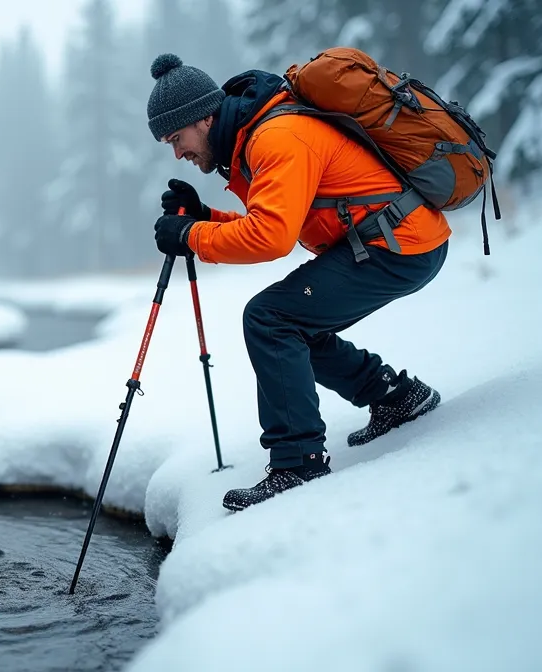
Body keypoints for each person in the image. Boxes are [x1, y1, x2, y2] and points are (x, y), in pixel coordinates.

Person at [143, 53, 450, 511]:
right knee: (292, 322)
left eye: (177, 138)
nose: (177, 152)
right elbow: (271, 218)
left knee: (271, 319)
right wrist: (206, 218)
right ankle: (395, 396)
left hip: (398, 244)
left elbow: (270, 237)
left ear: (203, 118)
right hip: (388, 240)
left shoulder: (276, 137)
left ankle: (298, 463)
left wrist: (190, 235)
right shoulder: (254, 135)